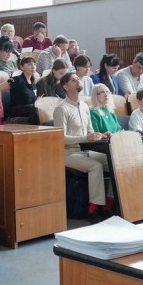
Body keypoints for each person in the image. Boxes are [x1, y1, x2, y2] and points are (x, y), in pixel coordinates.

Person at [53, 73, 112, 223]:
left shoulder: (85, 106)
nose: (78, 81)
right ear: (66, 87)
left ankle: (110, 203)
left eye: (78, 79)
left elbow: (90, 131)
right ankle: (93, 209)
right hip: (68, 154)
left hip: (85, 151)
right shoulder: (61, 109)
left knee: (114, 161)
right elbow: (61, 138)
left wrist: (101, 135)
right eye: (74, 80)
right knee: (95, 166)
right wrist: (86, 138)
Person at [8, 56, 40, 123]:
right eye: (29, 64)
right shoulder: (16, 79)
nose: (33, 67)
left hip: (31, 113)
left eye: (34, 64)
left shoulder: (33, 83)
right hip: (17, 115)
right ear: (22, 67)